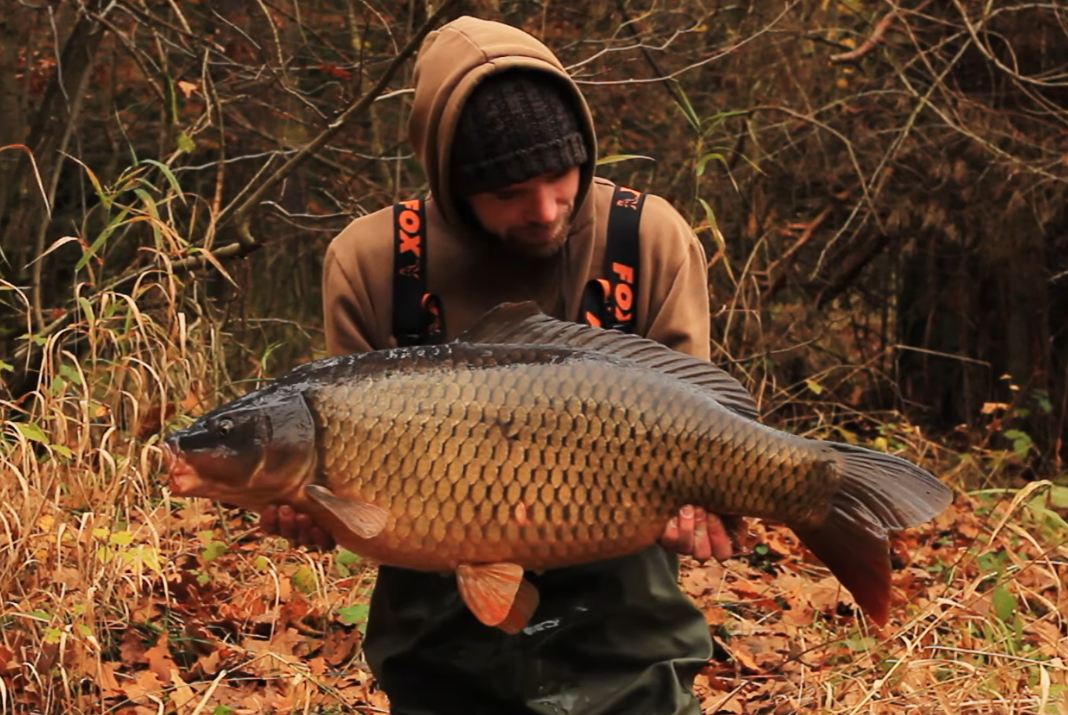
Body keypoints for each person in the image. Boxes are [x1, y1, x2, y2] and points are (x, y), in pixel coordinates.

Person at [261, 15, 745, 715]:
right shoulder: (371, 262)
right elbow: (358, 480)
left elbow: (693, 421)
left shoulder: (649, 238)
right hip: (439, 630)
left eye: (560, 176)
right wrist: (318, 507)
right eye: (509, 192)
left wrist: (699, 502)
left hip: (623, 619)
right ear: (452, 184)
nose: (547, 210)